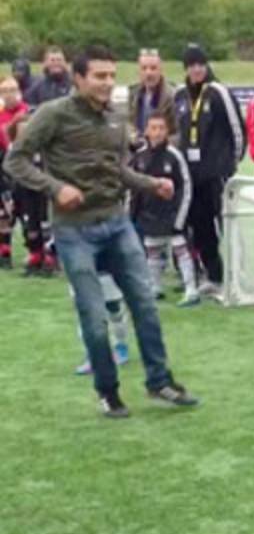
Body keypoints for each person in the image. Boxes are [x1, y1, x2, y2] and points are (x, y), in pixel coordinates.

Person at [4, 45, 198, 418]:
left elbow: (117, 170)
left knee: (145, 303)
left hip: (117, 223)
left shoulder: (115, 117)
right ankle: (108, 392)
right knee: (93, 316)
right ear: (79, 79)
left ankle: (160, 381)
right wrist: (55, 188)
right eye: (99, 76)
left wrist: (150, 183)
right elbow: (16, 159)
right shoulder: (53, 115)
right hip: (74, 231)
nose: (108, 83)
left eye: (111, 76)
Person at [175, 44, 246, 295]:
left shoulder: (218, 93)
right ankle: (214, 275)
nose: (196, 70)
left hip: (217, 173)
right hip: (192, 176)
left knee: (227, 223)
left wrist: (231, 164)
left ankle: (240, 273)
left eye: (200, 64)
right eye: (191, 65)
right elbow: (179, 133)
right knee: (201, 226)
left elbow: (237, 130)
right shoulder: (180, 95)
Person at [130, 113, 198, 307]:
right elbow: (134, 188)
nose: (157, 132)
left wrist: (180, 216)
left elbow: (186, 185)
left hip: (173, 214)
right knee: (153, 251)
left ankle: (191, 290)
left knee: (181, 250)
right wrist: (133, 214)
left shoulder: (174, 155)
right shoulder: (140, 157)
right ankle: (155, 287)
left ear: (167, 131)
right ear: (146, 131)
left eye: (161, 128)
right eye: (153, 128)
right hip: (150, 215)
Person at [6, 115, 56, 276]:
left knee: (45, 224)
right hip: (23, 193)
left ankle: (49, 257)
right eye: (21, 131)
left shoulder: (44, 151)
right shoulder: (14, 152)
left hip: (43, 192)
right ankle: (35, 255)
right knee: (29, 226)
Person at [0, 77, 29, 269]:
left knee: (27, 212)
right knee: (3, 214)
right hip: (3, 168)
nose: (10, 94)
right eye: (5, 91)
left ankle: (38, 253)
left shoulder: (27, 112)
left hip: (24, 168)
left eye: (13, 90)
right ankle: (4, 252)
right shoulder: (2, 115)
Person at [127, 48, 177, 146]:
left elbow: (179, 133)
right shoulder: (133, 93)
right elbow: (129, 123)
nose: (148, 73)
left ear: (161, 70)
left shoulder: (173, 95)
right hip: (138, 149)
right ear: (139, 71)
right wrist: (132, 136)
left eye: (153, 68)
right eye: (144, 68)